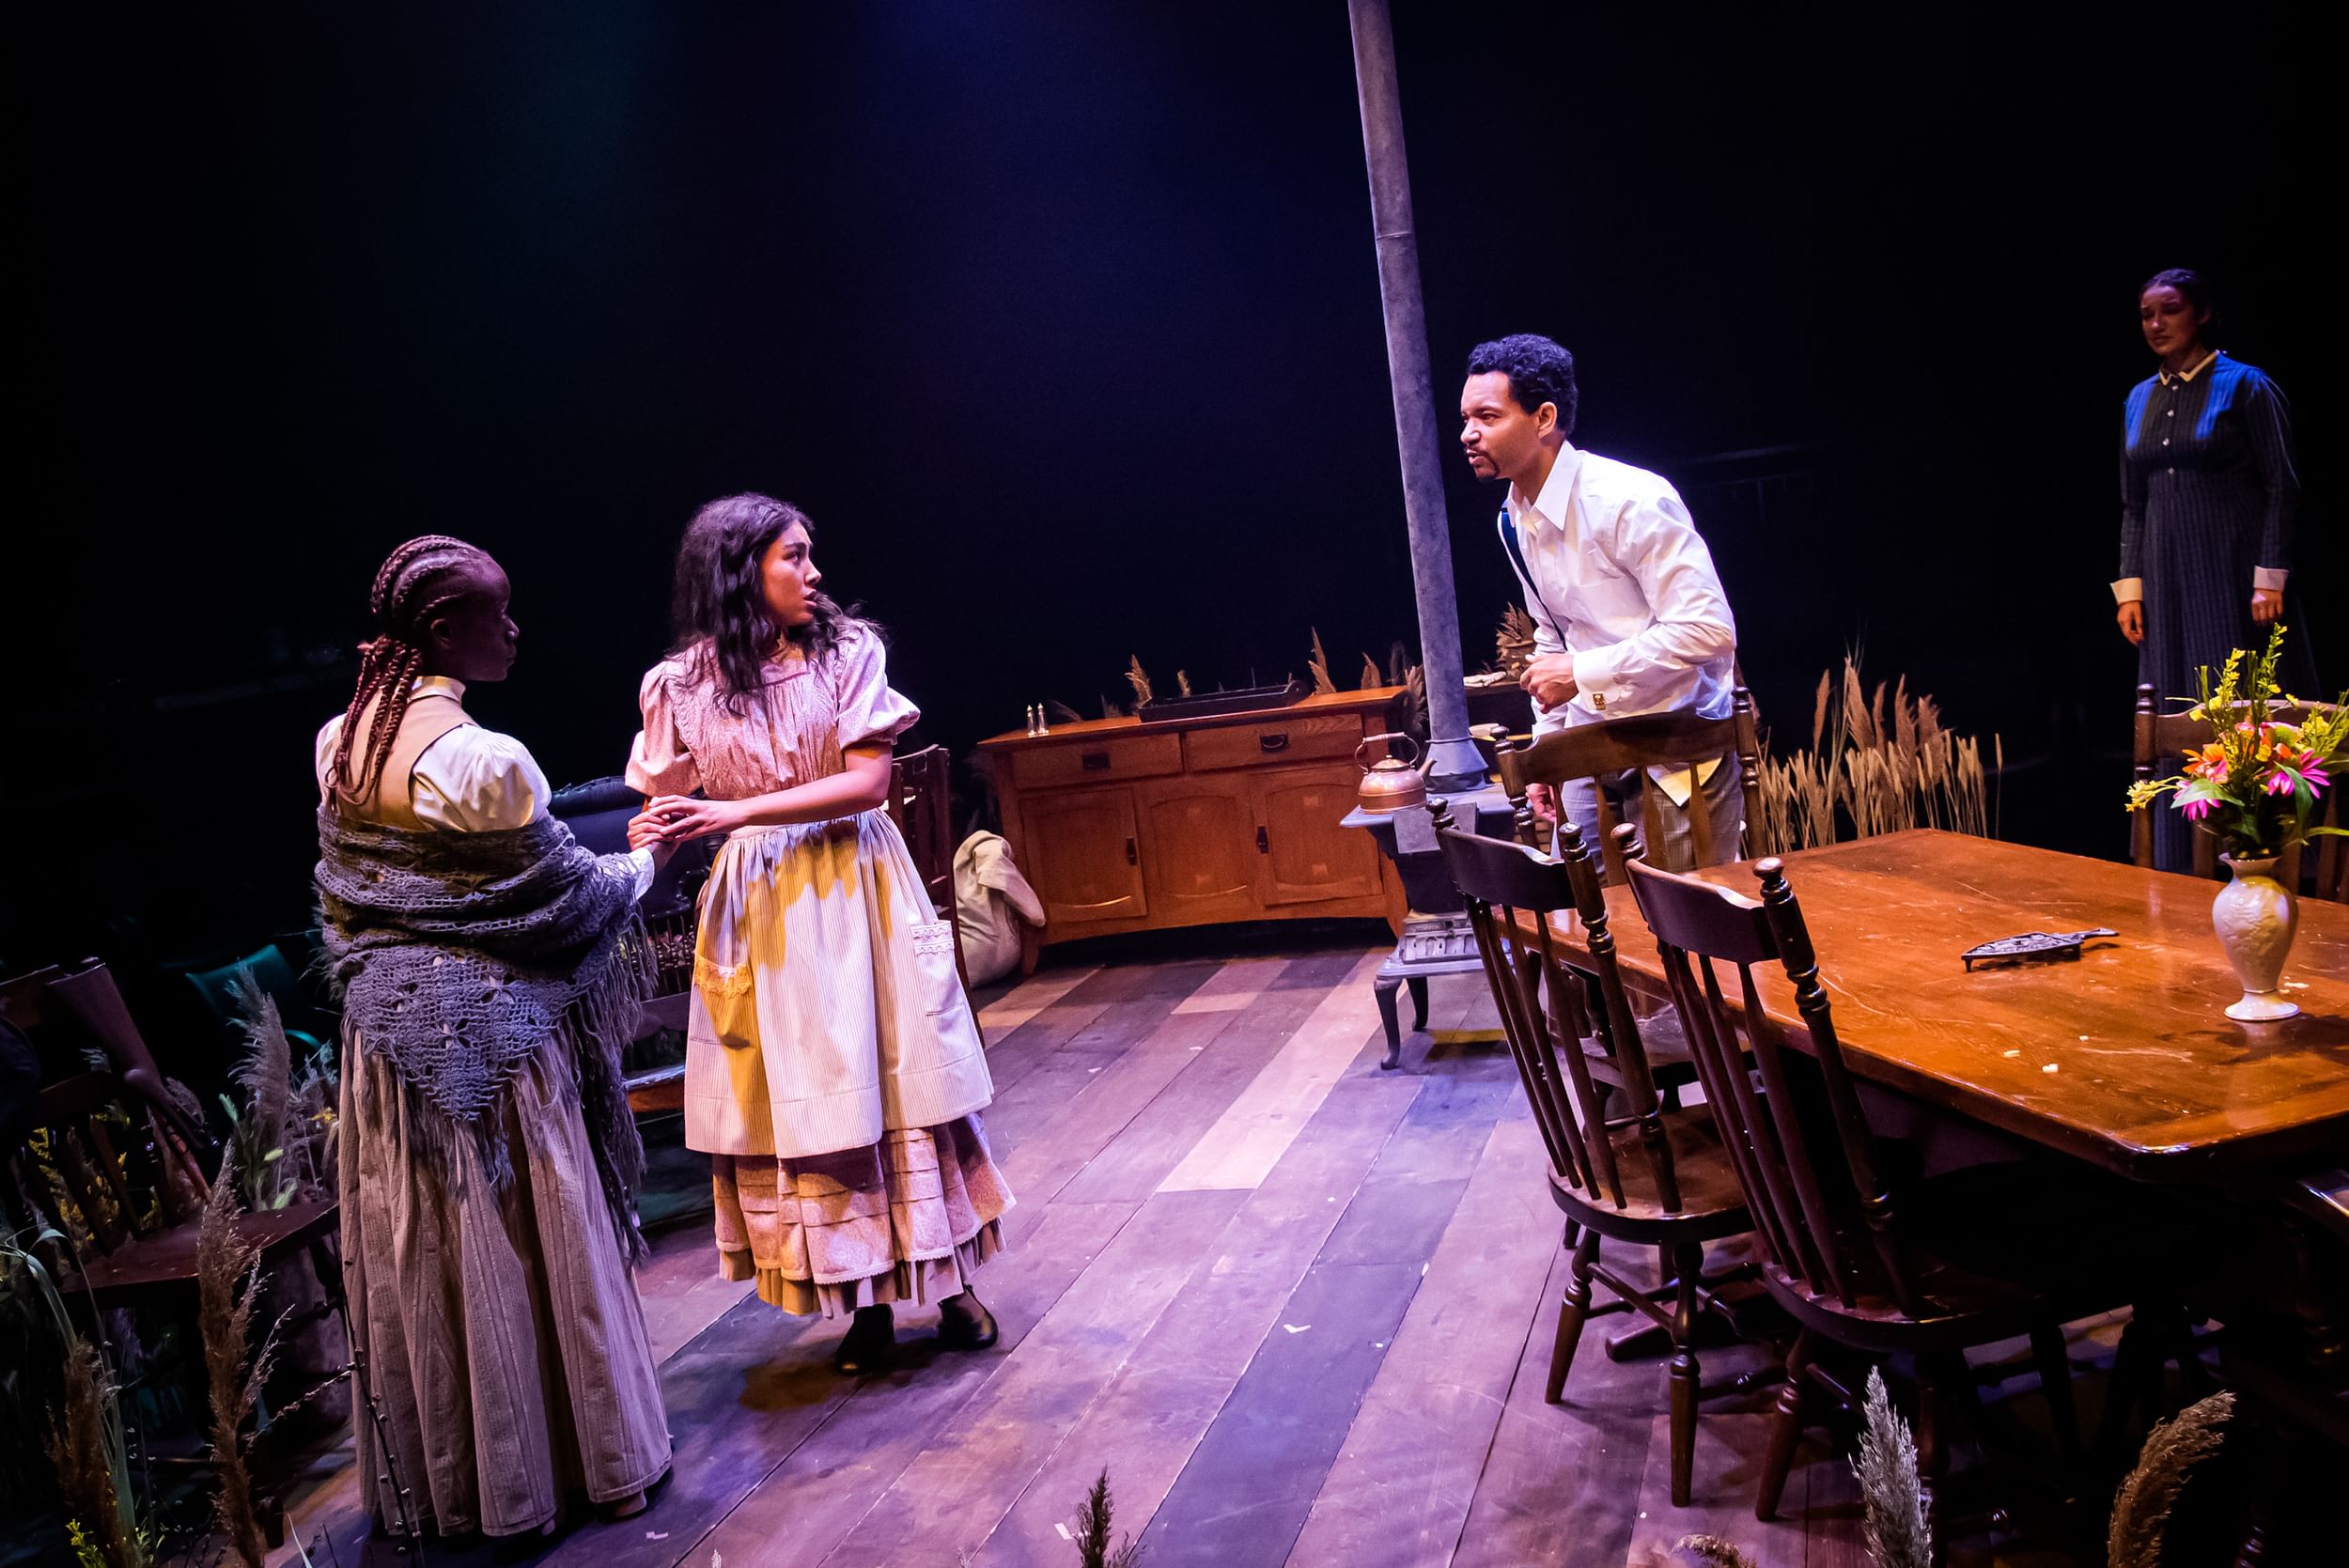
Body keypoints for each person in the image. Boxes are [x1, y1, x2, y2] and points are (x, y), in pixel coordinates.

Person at [313, 536, 672, 1540]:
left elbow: (391, 895)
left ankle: (466, 1483)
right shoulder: (488, 760)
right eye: (497, 611)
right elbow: (558, 896)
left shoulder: (337, 742)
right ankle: (570, 1463)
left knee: (429, 1249)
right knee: (522, 1240)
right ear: (441, 631)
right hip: (496, 1039)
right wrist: (648, 861)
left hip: (386, 1043)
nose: (513, 628)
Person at [627, 494, 1008, 1376]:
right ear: (739, 569)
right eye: (793, 557)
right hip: (759, 909)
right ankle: (858, 1302)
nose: (813, 572)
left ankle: (950, 1285)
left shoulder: (847, 654)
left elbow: (867, 782)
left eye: (811, 555)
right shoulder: (677, 685)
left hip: (852, 886)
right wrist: (651, 842)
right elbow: (664, 803)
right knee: (807, 1106)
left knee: (895, 1085)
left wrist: (734, 810)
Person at [1459, 333, 1742, 868]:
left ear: (1544, 418)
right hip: (1592, 748)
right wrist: (1548, 752)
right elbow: (1554, 639)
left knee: (1684, 931)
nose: (1468, 434)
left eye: (1488, 417)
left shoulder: (1628, 500)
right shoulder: (1512, 516)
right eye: (1466, 418)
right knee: (1599, 930)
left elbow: (1708, 629)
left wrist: (1583, 672)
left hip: (1675, 744)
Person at [2113, 269, 2314, 868]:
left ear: (2200, 313)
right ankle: (2177, 865)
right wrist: (2130, 589)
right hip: (2164, 580)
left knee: (2237, 710)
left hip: (2230, 577)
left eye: (2168, 311)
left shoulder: (2246, 386)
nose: (2155, 325)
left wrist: (2268, 574)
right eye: (2146, 314)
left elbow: (2283, 485)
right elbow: (2133, 502)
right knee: (2172, 708)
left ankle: (2257, 859)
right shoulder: (2137, 398)